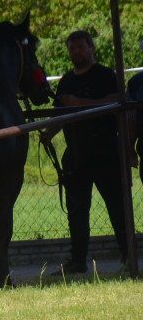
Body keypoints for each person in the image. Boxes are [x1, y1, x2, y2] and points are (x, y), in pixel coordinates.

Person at [42, 30, 128, 274]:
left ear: (92, 49)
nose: (76, 52)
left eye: (80, 47)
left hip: (106, 152)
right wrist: (49, 133)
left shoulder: (105, 75)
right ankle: (77, 261)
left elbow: (115, 102)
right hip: (76, 154)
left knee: (117, 207)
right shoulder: (66, 81)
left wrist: (77, 104)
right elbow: (59, 114)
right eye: (72, 48)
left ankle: (128, 256)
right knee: (77, 212)